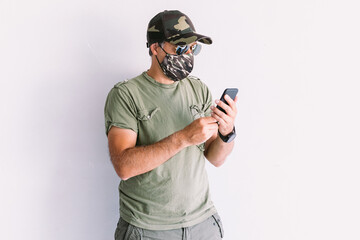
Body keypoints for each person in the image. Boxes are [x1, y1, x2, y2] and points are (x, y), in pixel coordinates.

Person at [104, 10, 238, 240]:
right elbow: (123, 167)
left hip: (202, 224)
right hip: (148, 229)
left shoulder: (198, 89)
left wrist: (227, 132)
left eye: (193, 48)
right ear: (155, 47)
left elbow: (215, 158)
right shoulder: (126, 94)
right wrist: (183, 138)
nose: (187, 55)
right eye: (179, 48)